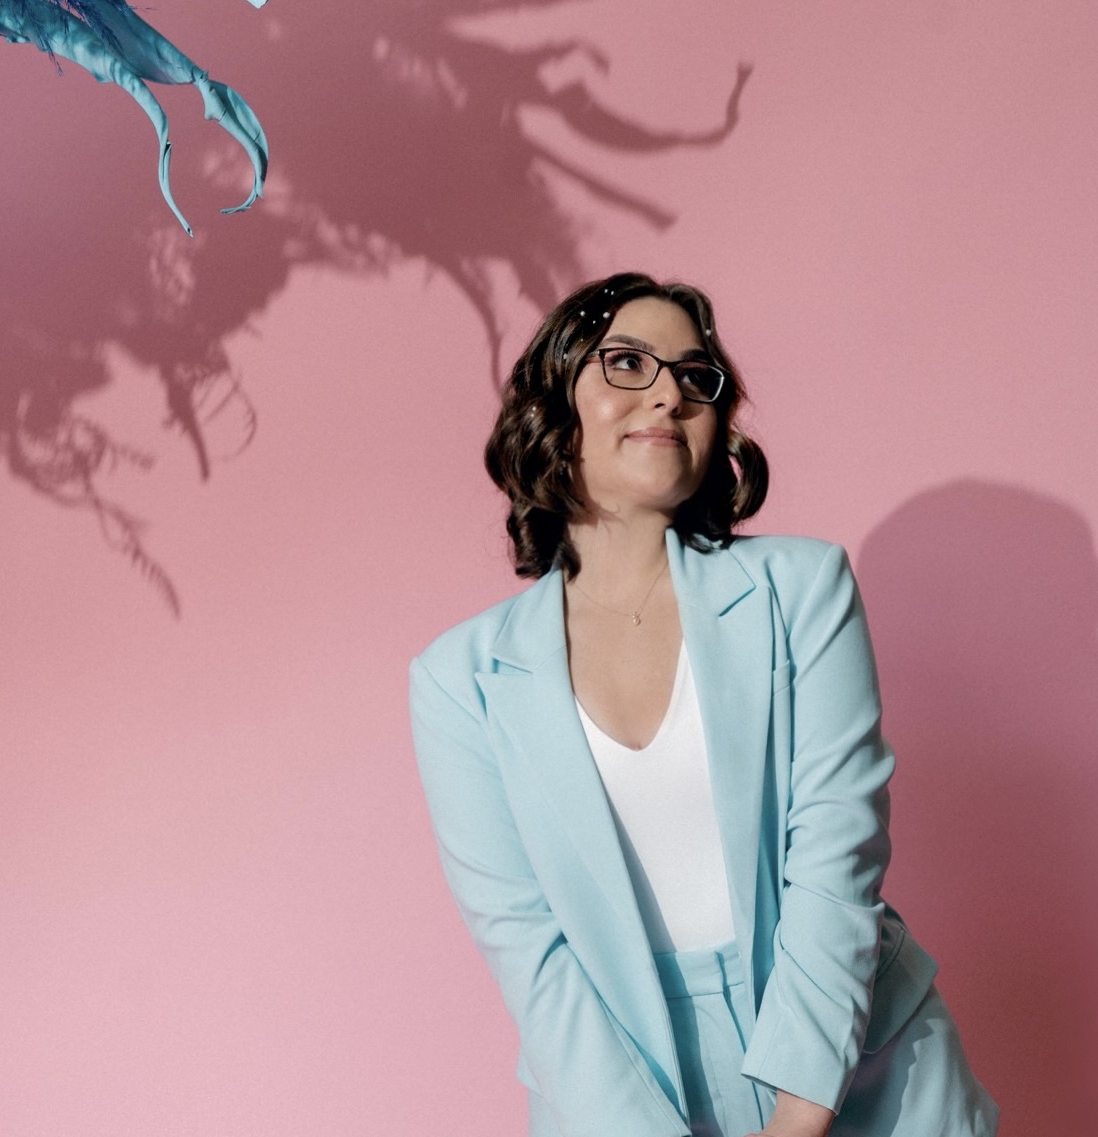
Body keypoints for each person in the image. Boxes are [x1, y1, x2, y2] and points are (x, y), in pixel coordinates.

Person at [409, 272, 999, 1137]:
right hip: (617, 1089)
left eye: (697, 375)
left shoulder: (802, 589)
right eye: (625, 362)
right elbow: (530, 952)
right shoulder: (459, 678)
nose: (667, 391)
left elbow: (837, 853)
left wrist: (799, 1117)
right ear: (552, 399)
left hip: (859, 1055)